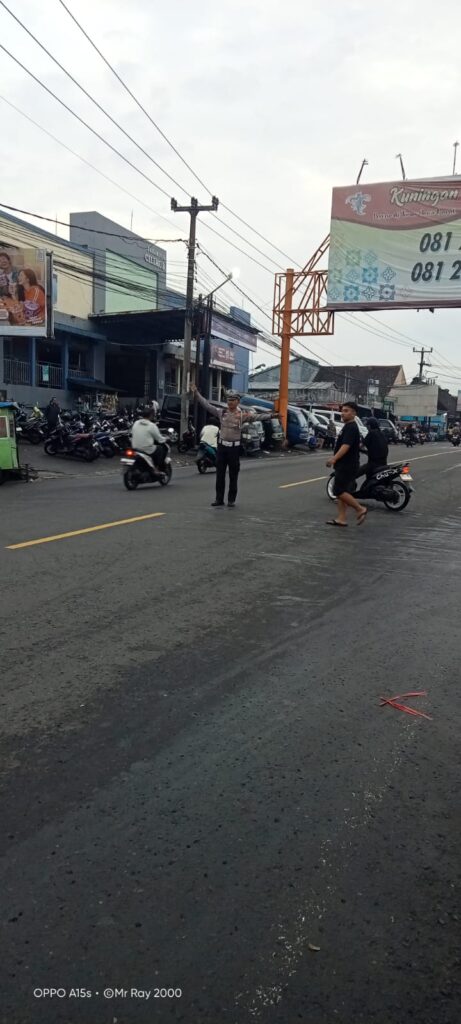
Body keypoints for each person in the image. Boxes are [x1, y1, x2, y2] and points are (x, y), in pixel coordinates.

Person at [192, 385, 272, 507]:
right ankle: (219, 499)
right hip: (222, 448)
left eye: (233, 400)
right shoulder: (222, 412)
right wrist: (197, 394)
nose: (230, 402)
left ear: (238, 401)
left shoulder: (242, 415)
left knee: (233, 475)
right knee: (220, 475)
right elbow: (207, 406)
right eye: (229, 400)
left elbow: (257, 416)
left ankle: (231, 500)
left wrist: (271, 416)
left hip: (234, 449)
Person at [326, 401, 367, 527]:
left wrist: (334, 458)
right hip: (345, 464)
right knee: (342, 491)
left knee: (338, 490)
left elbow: (346, 446)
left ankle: (360, 509)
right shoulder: (348, 426)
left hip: (347, 465)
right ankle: (341, 518)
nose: (342, 413)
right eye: (342, 411)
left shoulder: (351, 427)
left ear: (354, 413)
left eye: (346, 411)